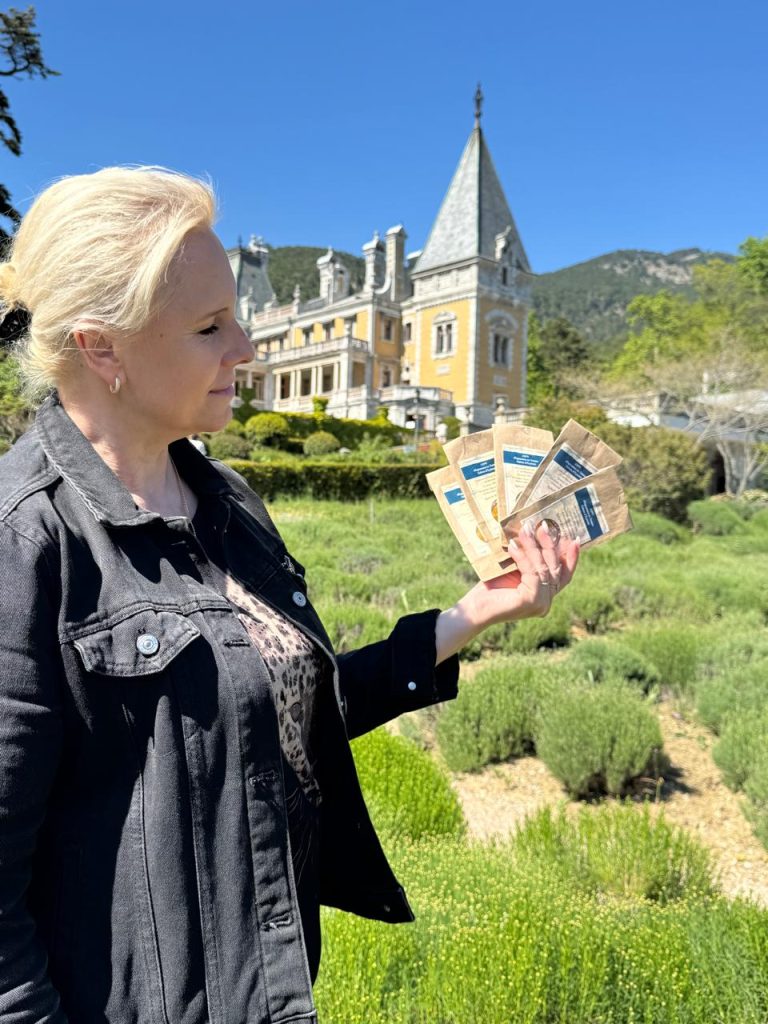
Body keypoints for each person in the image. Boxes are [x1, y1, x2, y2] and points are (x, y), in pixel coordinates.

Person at [0, 167, 579, 1024]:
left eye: (238, 316)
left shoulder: (228, 501)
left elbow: (285, 712)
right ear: (102, 348)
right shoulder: (26, 541)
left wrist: (480, 611)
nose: (245, 347)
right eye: (209, 326)